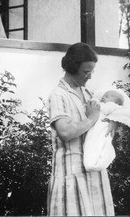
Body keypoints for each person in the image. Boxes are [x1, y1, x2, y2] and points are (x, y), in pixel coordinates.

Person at [47, 43, 115, 216]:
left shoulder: (87, 93)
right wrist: (92, 118)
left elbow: (105, 116)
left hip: (93, 174)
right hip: (70, 176)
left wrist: (112, 121)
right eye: (86, 72)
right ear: (72, 67)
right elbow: (65, 132)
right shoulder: (58, 95)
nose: (90, 77)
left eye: (92, 71)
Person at [83, 90, 124, 172]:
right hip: (95, 128)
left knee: (97, 145)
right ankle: (91, 163)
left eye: (107, 96)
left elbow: (100, 107)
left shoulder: (111, 106)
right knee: (90, 146)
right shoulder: (105, 106)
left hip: (102, 129)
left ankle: (97, 161)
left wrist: (93, 101)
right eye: (104, 95)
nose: (103, 97)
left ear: (114, 102)